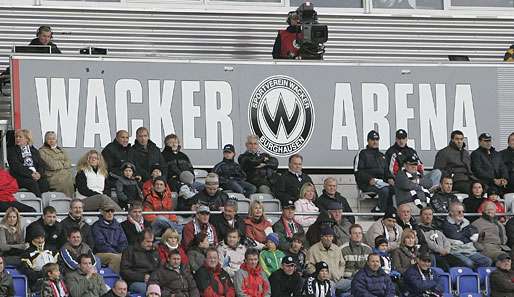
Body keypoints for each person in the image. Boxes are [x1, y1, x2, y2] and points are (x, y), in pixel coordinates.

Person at [441, 201, 492, 269]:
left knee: (487, 261)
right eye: (459, 212)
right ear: (451, 213)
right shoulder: (446, 224)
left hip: (469, 250)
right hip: (456, 251)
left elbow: (474, 235)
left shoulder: (466, 222)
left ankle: (478, 278)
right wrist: (467, 234)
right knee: (469, 264)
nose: (462, 214)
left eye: (463, 211)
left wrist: (464, 234)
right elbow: (457, 236)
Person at [354, 130, 395, 212]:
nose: (375, 142)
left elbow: (387, 172)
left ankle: (390, 211)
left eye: (377, 140)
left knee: (395, 188)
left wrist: (390, 178)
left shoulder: (382, 155)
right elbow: (358, 171)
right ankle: (378, 210)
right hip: (367, 183)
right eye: (372, 140)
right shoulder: (362, 153)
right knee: (385, 189)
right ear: (368, 140)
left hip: (382, 183)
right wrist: (369, 179)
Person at [307, 226, 350, 293]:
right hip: (323, 281)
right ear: (321, 237)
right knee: (331, 287)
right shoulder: (313, 249)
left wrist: (339, 274)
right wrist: (319, 276)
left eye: (330, 236)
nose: (328, 239)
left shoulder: (336, 249)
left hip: (338, 280)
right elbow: (309, 266)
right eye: (326, 236)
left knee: (353, 283)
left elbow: (342, 264)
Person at [7, 129, 49, 197]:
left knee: (44, 183)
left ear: (27, 139)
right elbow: (16, 166)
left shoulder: (34, 150)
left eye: (20, 137)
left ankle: (46, 204)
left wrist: (39, 174)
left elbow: (41, 164)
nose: (17, 138)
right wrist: (31, 174)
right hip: (20, 177)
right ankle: (39, 203)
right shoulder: (12, 151)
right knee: (32, 183)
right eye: (16, 137)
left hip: (35, 175)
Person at [415, 207, 457, 271]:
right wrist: (440, 250)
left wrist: (446, 250)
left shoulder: (436, 227)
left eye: (430, 214)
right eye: (425, 214)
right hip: (432, 254)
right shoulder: (418, 229)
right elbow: (426, 241)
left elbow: (445, 241)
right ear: (420, 216)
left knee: (459, 263)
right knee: (446, 267)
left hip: (444, 253)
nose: (428, 216)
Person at [120, 228, 160, 296]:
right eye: (148, 241)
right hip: (135, 281)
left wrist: (153, 277)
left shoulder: (154, 251)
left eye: (151, 241)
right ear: (141, 240)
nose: (150, 244)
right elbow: (124, 271)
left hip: (153, 280)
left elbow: (159, 268)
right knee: (151, 291)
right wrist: (142, 277)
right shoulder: (129, 251)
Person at [91, 205, 128, 273]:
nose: (110, 213)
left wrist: (120, 251)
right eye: (107, 211)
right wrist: (116, 253)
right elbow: (100, 245)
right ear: (101, 212)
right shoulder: (96, 226)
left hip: (116, 253)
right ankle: (113, 280)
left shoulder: (118, 225)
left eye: (112, 211)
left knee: (128, 257)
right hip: (100, 254)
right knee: (116, 258)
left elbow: (123, 242)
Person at [20, 226, 59, 291]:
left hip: (55, 278)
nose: (40, 240)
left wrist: (54, 274)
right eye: (37, 238)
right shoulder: (26, 253)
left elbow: (60, 265)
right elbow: (28, 272)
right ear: (32, 239)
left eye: (42, 238)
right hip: (38, 281)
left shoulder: (52, 249)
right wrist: (44, 274)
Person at [39, 131, 74, 197]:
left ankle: (70, 202)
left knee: (71, 180)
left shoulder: (61, 150)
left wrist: (59, 163)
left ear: (56, 140)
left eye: (53, 138)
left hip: (65, 175)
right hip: (52, 176)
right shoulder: (42, 151)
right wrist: (63, 163)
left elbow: (68, 163)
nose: (51, 140)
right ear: (45, 140)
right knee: (64, 181)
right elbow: (52, 165)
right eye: (49, 139)